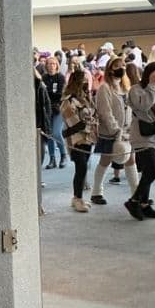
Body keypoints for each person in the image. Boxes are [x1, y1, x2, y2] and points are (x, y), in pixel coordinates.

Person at [89, 57, 134, 206]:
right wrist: (116, 130)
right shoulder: (105, 88)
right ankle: (96, 191)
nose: (121, 68)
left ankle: (137, 193)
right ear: (110, 69)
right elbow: (105, 112)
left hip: (127, 132)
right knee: (106, 160)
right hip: (110, 132)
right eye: (117, 66)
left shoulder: (126, 88)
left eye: (123, 66)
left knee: (131, 160)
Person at [125, 62, 155, 220]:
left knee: (148, 172)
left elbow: (153, 108)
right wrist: (151, 85)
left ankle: (144, 204)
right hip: (141, 135)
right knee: (152, 171)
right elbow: (143, 106)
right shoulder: (136, 89)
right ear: (150, 73)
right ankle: (134, 200)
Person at [60, 69, 96, 212]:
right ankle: (77, 199)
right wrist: (88, 122)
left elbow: (92, 116)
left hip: (87, 138)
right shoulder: (68, 101)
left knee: (83, 168)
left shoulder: (86, 98)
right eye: (83, 81)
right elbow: (75, 123)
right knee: (81, 167)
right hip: (75, 139)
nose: (86, 84)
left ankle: (77, 197)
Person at [42, 56, 68, 169]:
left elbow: (60, 94)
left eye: (53, 64)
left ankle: (63, 155)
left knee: (56, 133)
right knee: (49, 134)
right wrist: (50, 94)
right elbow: (43, 94)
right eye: (49, 64)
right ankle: (52, 159)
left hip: (58, 109)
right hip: (47, 110)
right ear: (46, 66)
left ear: (57, 65)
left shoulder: (61, 77)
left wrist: (50, 94)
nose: (51, 66)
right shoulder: (44, 78)